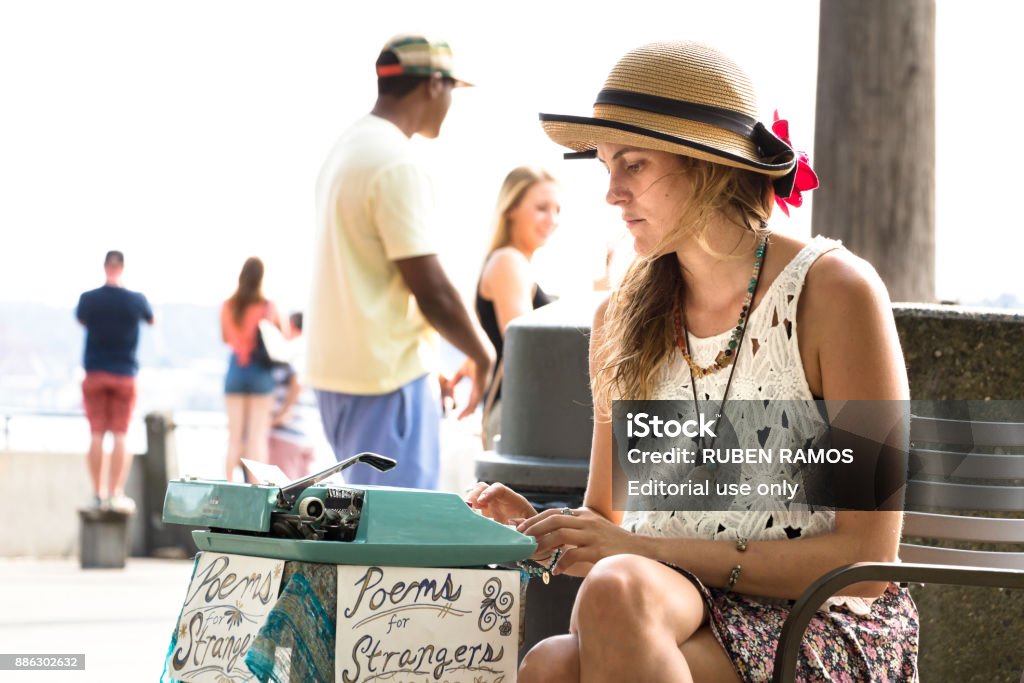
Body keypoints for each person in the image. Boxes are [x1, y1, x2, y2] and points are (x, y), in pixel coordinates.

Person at [467, 41, 919, 682]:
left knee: (571, 650)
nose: (612, 194)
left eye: (633, 164)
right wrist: (552, 529)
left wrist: (636, 550)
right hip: (664, 599)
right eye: (605, 167)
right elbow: (608, 521)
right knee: (555, 656)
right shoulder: (616, 322)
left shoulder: (836, 293)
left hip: (819, 614)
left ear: (708, 166)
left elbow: (869, 558)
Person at [305, 34, 494, 490]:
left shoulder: (348, 147)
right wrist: (482, 352)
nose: (450, 102)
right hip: (385, 379)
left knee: (363, 523)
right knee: (394, 535)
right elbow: (430, 288)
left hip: (338, 375)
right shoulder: (397, 161)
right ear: (433, 85)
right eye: (451, 90)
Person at [475, 166, 560, 448]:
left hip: (516, 414)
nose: (552, 219)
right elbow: (527, 350)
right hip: (515, 417)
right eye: (542, 208)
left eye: (557, 210)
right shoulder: (509, 261)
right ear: (510, 209)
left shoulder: (512, 263)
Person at [76, 250, 154, 512]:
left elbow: (80, 319)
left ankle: (97, 494)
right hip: (125, 374)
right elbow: (152, 320)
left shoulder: (89, 299)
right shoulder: (135, 300)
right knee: (121, 434)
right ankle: (115, 493)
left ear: (104, 267)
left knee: (96, 433)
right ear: (122, 267)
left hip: (95, 372)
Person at [221, 256, 282, 482]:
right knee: (257, 436)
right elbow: (279, 338)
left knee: (234, 436)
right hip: (260, 373)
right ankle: (257, 489)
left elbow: (226, 337)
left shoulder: (229, 305)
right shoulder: (267, 306)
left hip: (236, 370)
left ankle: (228, 485)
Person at [268, 312, 316, 481]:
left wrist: (282, 414)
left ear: (292, 326)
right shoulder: (313, 351)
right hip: (309, 434)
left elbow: (298, 380)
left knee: (283, 497)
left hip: (286, 434)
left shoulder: (292, 349)